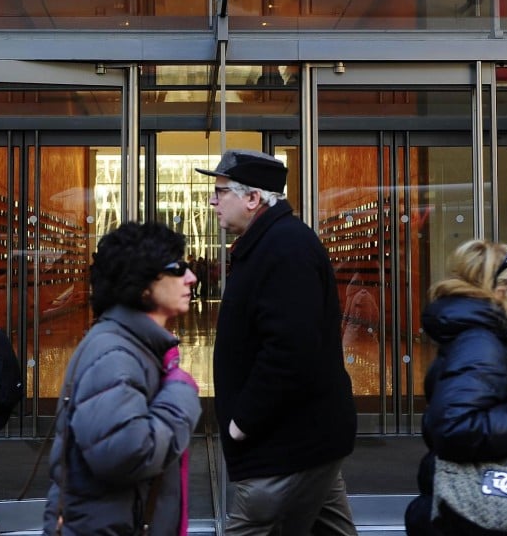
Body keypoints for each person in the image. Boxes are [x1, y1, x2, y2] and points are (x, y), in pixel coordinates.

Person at [196, 149, 357, 535]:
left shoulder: (285, 248)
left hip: (284, 446)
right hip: (305, 437)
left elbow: (290, 350)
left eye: (221, 193)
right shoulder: (268, 243)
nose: (213, 201)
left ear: (252, 198)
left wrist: (243, 422)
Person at [404, 240, 507, 536]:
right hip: (482, 518)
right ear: (504, 293)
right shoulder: (480, 345)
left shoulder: (494, 341)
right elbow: (455, 427)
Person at [43, 221, 202, 536]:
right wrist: (181, 393)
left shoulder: (132, 345)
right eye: (178, 268)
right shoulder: (114, 354)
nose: (191, 278)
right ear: (142, 284)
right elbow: (126, 455)